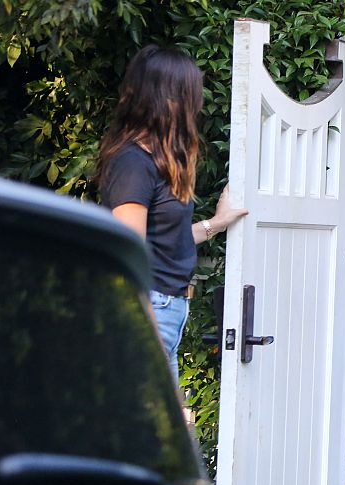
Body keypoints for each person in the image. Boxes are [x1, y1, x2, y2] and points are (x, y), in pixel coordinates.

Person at [96, 45, 247, 381]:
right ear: (168, 99)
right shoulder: (133, 164)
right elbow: (128, 257)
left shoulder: (157, 162)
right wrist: (146, 332)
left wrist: (216, 224)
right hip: (148, 313)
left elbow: (159, 240)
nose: (197, 103)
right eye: (191, 93)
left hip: (166, 311)